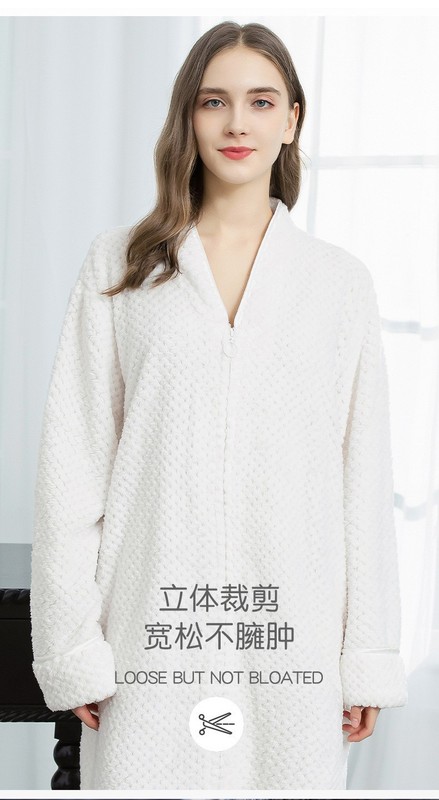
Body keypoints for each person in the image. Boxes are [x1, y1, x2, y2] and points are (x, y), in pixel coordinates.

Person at [30, 20, 408, 791]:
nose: (237, 123)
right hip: (148, 635)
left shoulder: (337, 283)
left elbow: (361, 483)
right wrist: (73, 648)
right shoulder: (122, 266)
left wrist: (365, 655)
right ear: (188, 117)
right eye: (214, 102)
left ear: (291, 120)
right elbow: (73, 469)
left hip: (293, 640)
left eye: (261, 102)